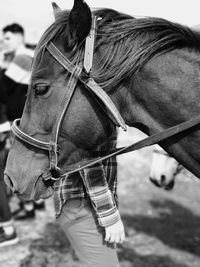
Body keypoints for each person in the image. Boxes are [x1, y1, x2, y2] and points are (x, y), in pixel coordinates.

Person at [54, 136, 125, 266]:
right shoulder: (90, 116)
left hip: (82, 201)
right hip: (82, 203)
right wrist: (109, 215)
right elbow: (88, 161)